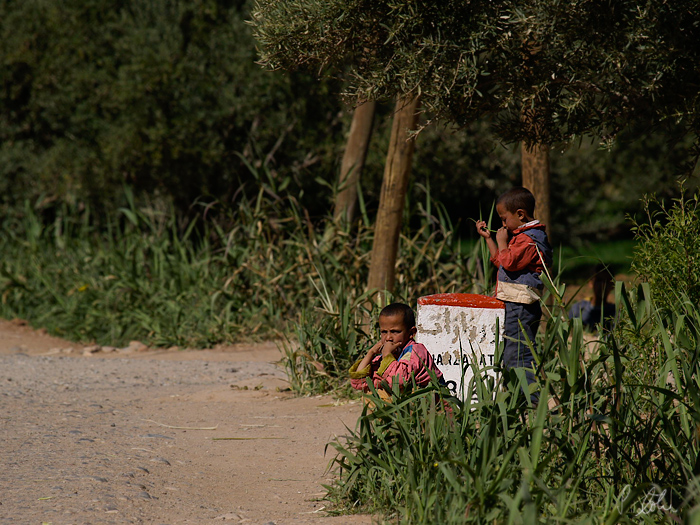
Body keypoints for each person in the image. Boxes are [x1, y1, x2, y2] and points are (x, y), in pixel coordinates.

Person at [475, 187, 553, 404]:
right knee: (511, 353)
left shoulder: (530, 239)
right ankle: (521, 400)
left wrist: (501, 241)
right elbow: (501, 261)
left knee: (518, 355)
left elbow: (508, 261)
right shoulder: (520, 237)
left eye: (504, 219)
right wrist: (490, 239)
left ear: (520, 214)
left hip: (521, 305)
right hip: (514, 304)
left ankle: (537, 402)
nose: (502, 225)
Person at [349, 303, 443, 396]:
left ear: (411, 333)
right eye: (384, 332)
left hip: (426, 403)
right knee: (370, 394)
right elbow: (359, 383)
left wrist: (387, 355)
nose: (388, 338)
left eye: (395, 332)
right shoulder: (387, 357)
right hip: (403, 403)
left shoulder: (415, 351)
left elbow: (398, 381)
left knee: (381, 393)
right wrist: (371, 353)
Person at [568, 264, 616, 331]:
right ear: (590, 283)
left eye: (607, 281)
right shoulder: (578, 310)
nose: (603, 285)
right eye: (599, 280)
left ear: (612, 285)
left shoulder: (615, 314)